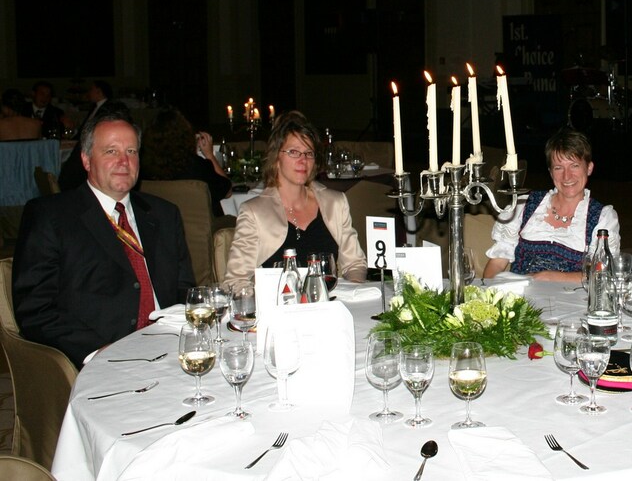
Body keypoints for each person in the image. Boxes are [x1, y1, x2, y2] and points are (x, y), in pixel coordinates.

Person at [12, 108, 195, 367]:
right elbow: (35, 309)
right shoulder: (51, 216)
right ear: (86, 160)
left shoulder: (164, 214)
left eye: (131, 151)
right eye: (111, 151)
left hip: (171, 350)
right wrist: (96, 350)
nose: (124, 161)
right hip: (100, 358)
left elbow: (184, 290)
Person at [225, 110, 367, 285]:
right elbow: (236, 280)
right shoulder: (254, 212)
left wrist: (354, 290)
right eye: (294, 152)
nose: (303, 160)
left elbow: (355, 264)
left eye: (309, 153)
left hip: (331, 300)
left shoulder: (335, 203)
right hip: (279, 301)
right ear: (276, 158)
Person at [483, 128, 620, 282]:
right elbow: (496, 264)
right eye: (558, 168)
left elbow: (602, 274)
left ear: (589, 168)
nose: (567, 176)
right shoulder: (524, 205)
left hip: (573, 297)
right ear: (550, 172)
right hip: (519, 295)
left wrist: (549, 277)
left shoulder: (602, 217)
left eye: (574, 166)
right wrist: (490, 290)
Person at [140, 107, 233, 216]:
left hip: (163, 224)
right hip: (202, 226)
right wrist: (209, 155)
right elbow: (227, 192)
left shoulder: (145, 170)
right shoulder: (196, 166)